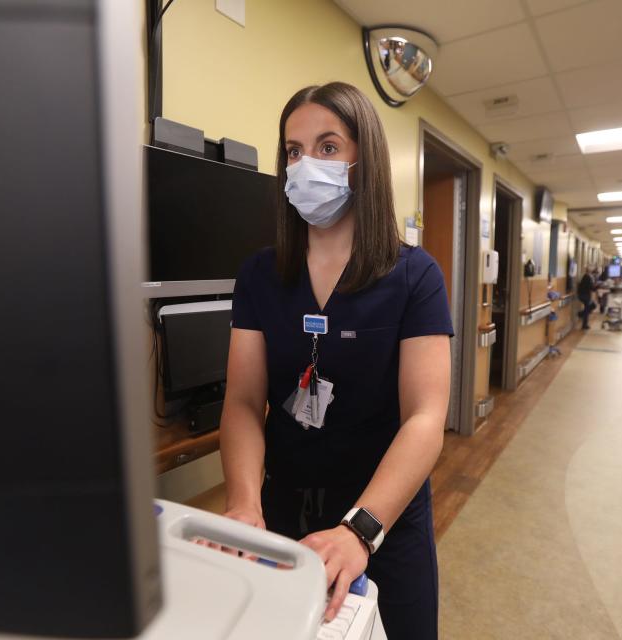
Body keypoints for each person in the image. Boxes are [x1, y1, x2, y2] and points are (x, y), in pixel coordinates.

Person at [219, 82, 452, 640]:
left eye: (327, 147)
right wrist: (244, 504)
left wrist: (359, 531)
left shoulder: (414, 277)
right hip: (283, 504)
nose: (305, 165)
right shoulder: (259, 274)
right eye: (293, 152)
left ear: (363, 160)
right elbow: (245, 402)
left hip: (383, 515)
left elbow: (425, 416)